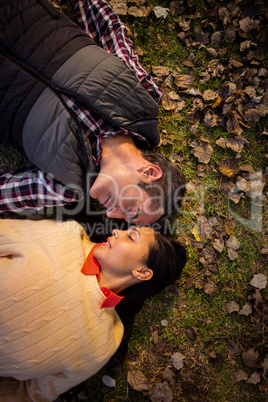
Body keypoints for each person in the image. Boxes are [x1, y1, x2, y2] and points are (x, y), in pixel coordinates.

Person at [0, 0, 185, 224]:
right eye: (131, 210)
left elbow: (6, 193)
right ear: (149, 172)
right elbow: (109, 33)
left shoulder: (66, 185)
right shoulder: (142, 98)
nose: (110, 214)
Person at [0, 218, 186, 401]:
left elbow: (31, 394)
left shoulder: (103, 343)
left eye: (131, 237)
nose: (116, 232)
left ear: (142, 272)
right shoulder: (66, 237)